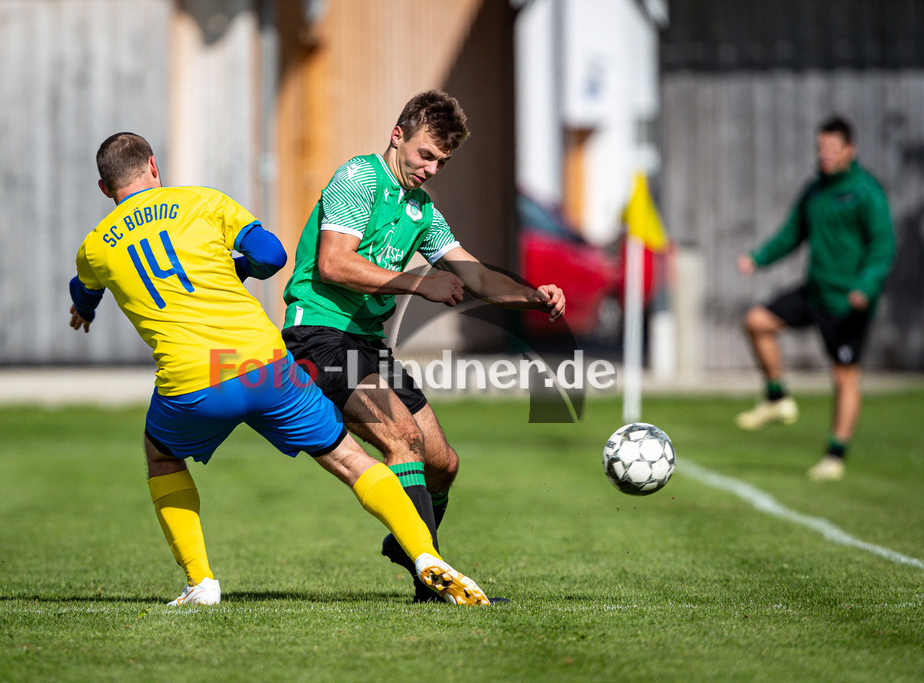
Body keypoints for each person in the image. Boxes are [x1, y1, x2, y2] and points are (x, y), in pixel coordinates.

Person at [67, 132, 490, 606]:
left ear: (105, 189)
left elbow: (83, 288)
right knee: (353, 461)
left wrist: (85, 308)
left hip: (193, 379)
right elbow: (272, 256)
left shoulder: (94, 248)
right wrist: (238, 268)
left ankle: (200, 580)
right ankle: (424, 554)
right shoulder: (203, 201)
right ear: (153, 167)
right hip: (265, 363)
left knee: (161, 454)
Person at [281, 90, 565, 601]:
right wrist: (417, 283)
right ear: (398, 135)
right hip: (318, 335)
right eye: (426, 154)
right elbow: (333, 264)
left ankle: (407, 542)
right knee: (402, 439)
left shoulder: (422, 210)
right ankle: (432, 581)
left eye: (442, 161)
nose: (432, 169)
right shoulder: (358, 179)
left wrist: (533, 296)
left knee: (443, 463)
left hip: (365, 341)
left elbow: (473, 274)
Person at [736, 116, 895, 482]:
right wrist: (758, 258)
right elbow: (792, 233)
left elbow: (883, 246)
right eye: (820, 148)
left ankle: (834, 455)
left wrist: (865, 287)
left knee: (844, 377)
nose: (824, 155)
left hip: (849, 301)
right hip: (815, 291)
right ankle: (777, 397)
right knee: (757, 321)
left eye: (831, 150)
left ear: (849, 151)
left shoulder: (866, 192)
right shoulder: (815, 190)